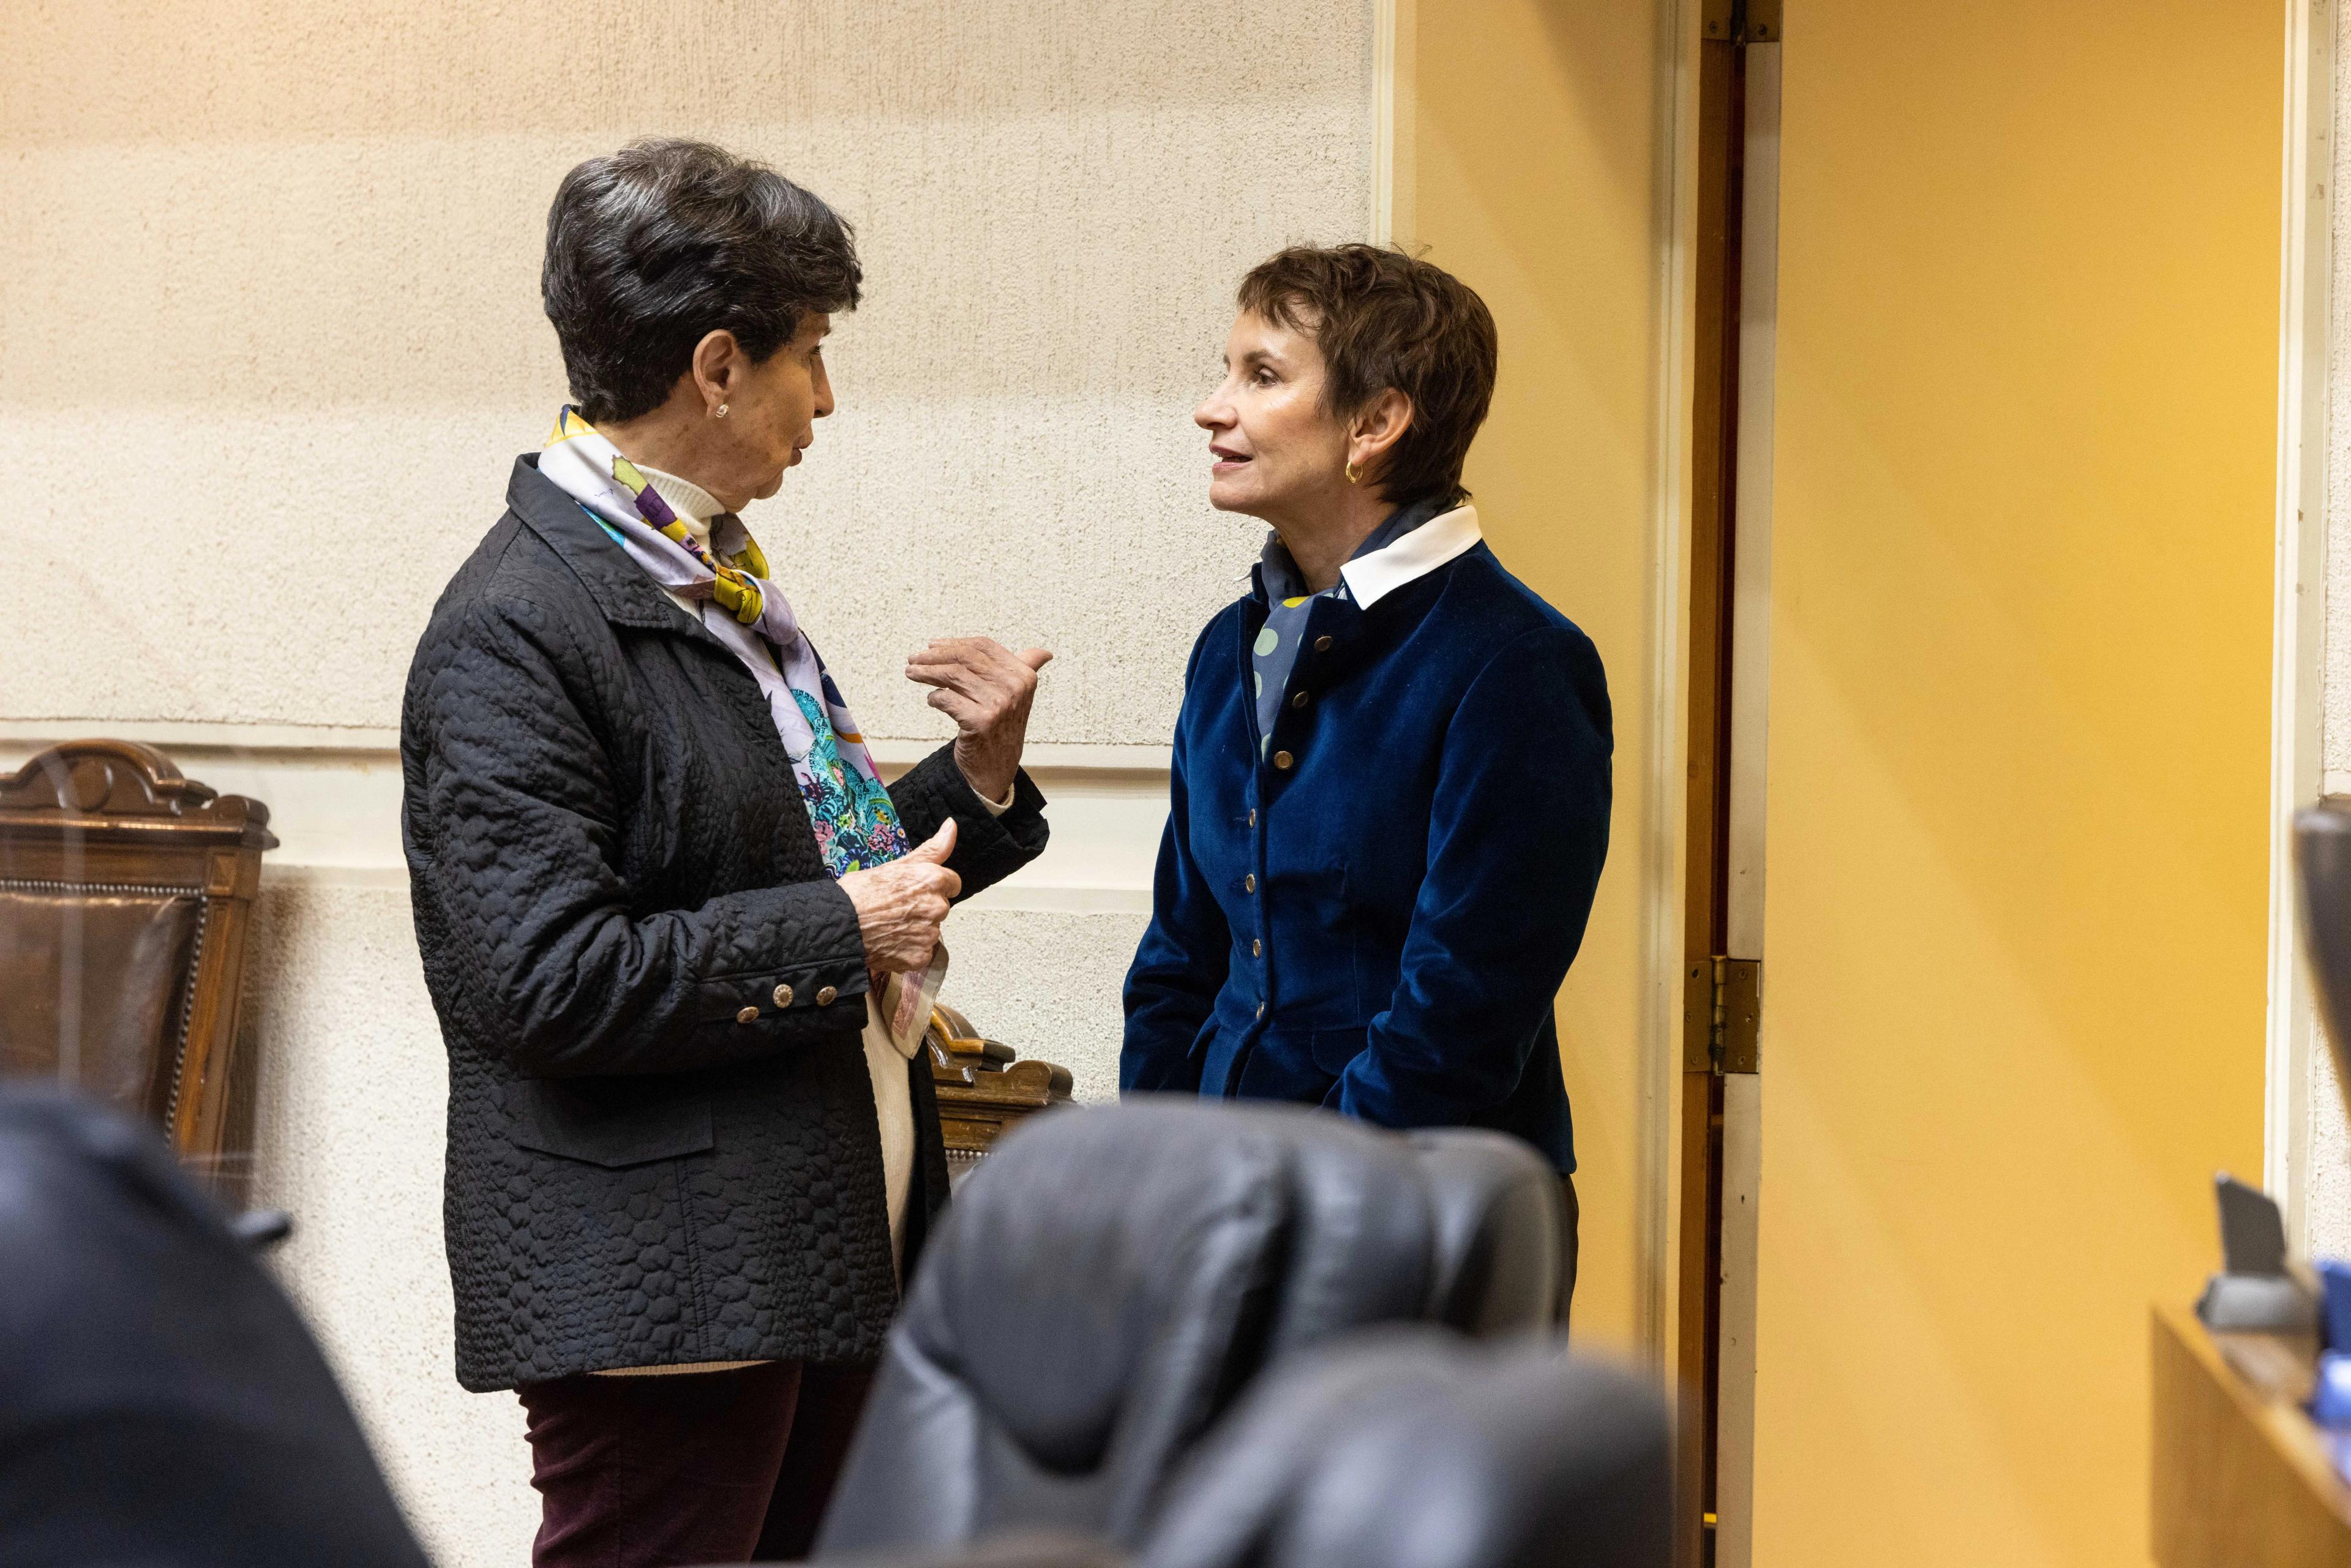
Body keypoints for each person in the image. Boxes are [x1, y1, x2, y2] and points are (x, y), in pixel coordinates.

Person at [400, 139, 1051, 1567]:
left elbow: (795, 855)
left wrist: (975, 787)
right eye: (809, 354)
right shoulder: (516, 626)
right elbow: (546, 981)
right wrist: (842, 931)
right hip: (666, 1287)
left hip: (797, 1240)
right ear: (716, 367)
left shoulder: (701, 571)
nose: (826, 396)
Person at [1121, 244, 1611, 1317]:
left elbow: (1464, 1009)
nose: (1214, 409)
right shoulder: (1226, 645)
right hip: (1225, 1219)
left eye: (1261, 375)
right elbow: (1180, 953)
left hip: (1426, 1233)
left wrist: (1309, 1209)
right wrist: (1155, 1174)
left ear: (1374, 424)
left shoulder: (1518, 662)